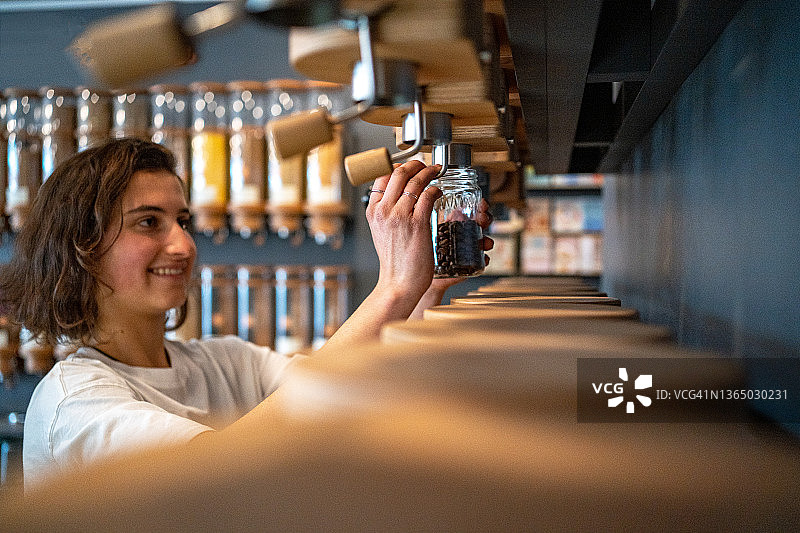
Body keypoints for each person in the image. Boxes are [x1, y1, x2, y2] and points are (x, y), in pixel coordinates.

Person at [0, 138, 492, 490]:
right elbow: (221, 473)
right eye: (149, 222)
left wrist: (421, 290)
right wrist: (392, 290)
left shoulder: (223, 363)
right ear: (83, 248)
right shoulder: (77, 404)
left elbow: (344, 390)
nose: (184, 244)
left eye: (183, 221)